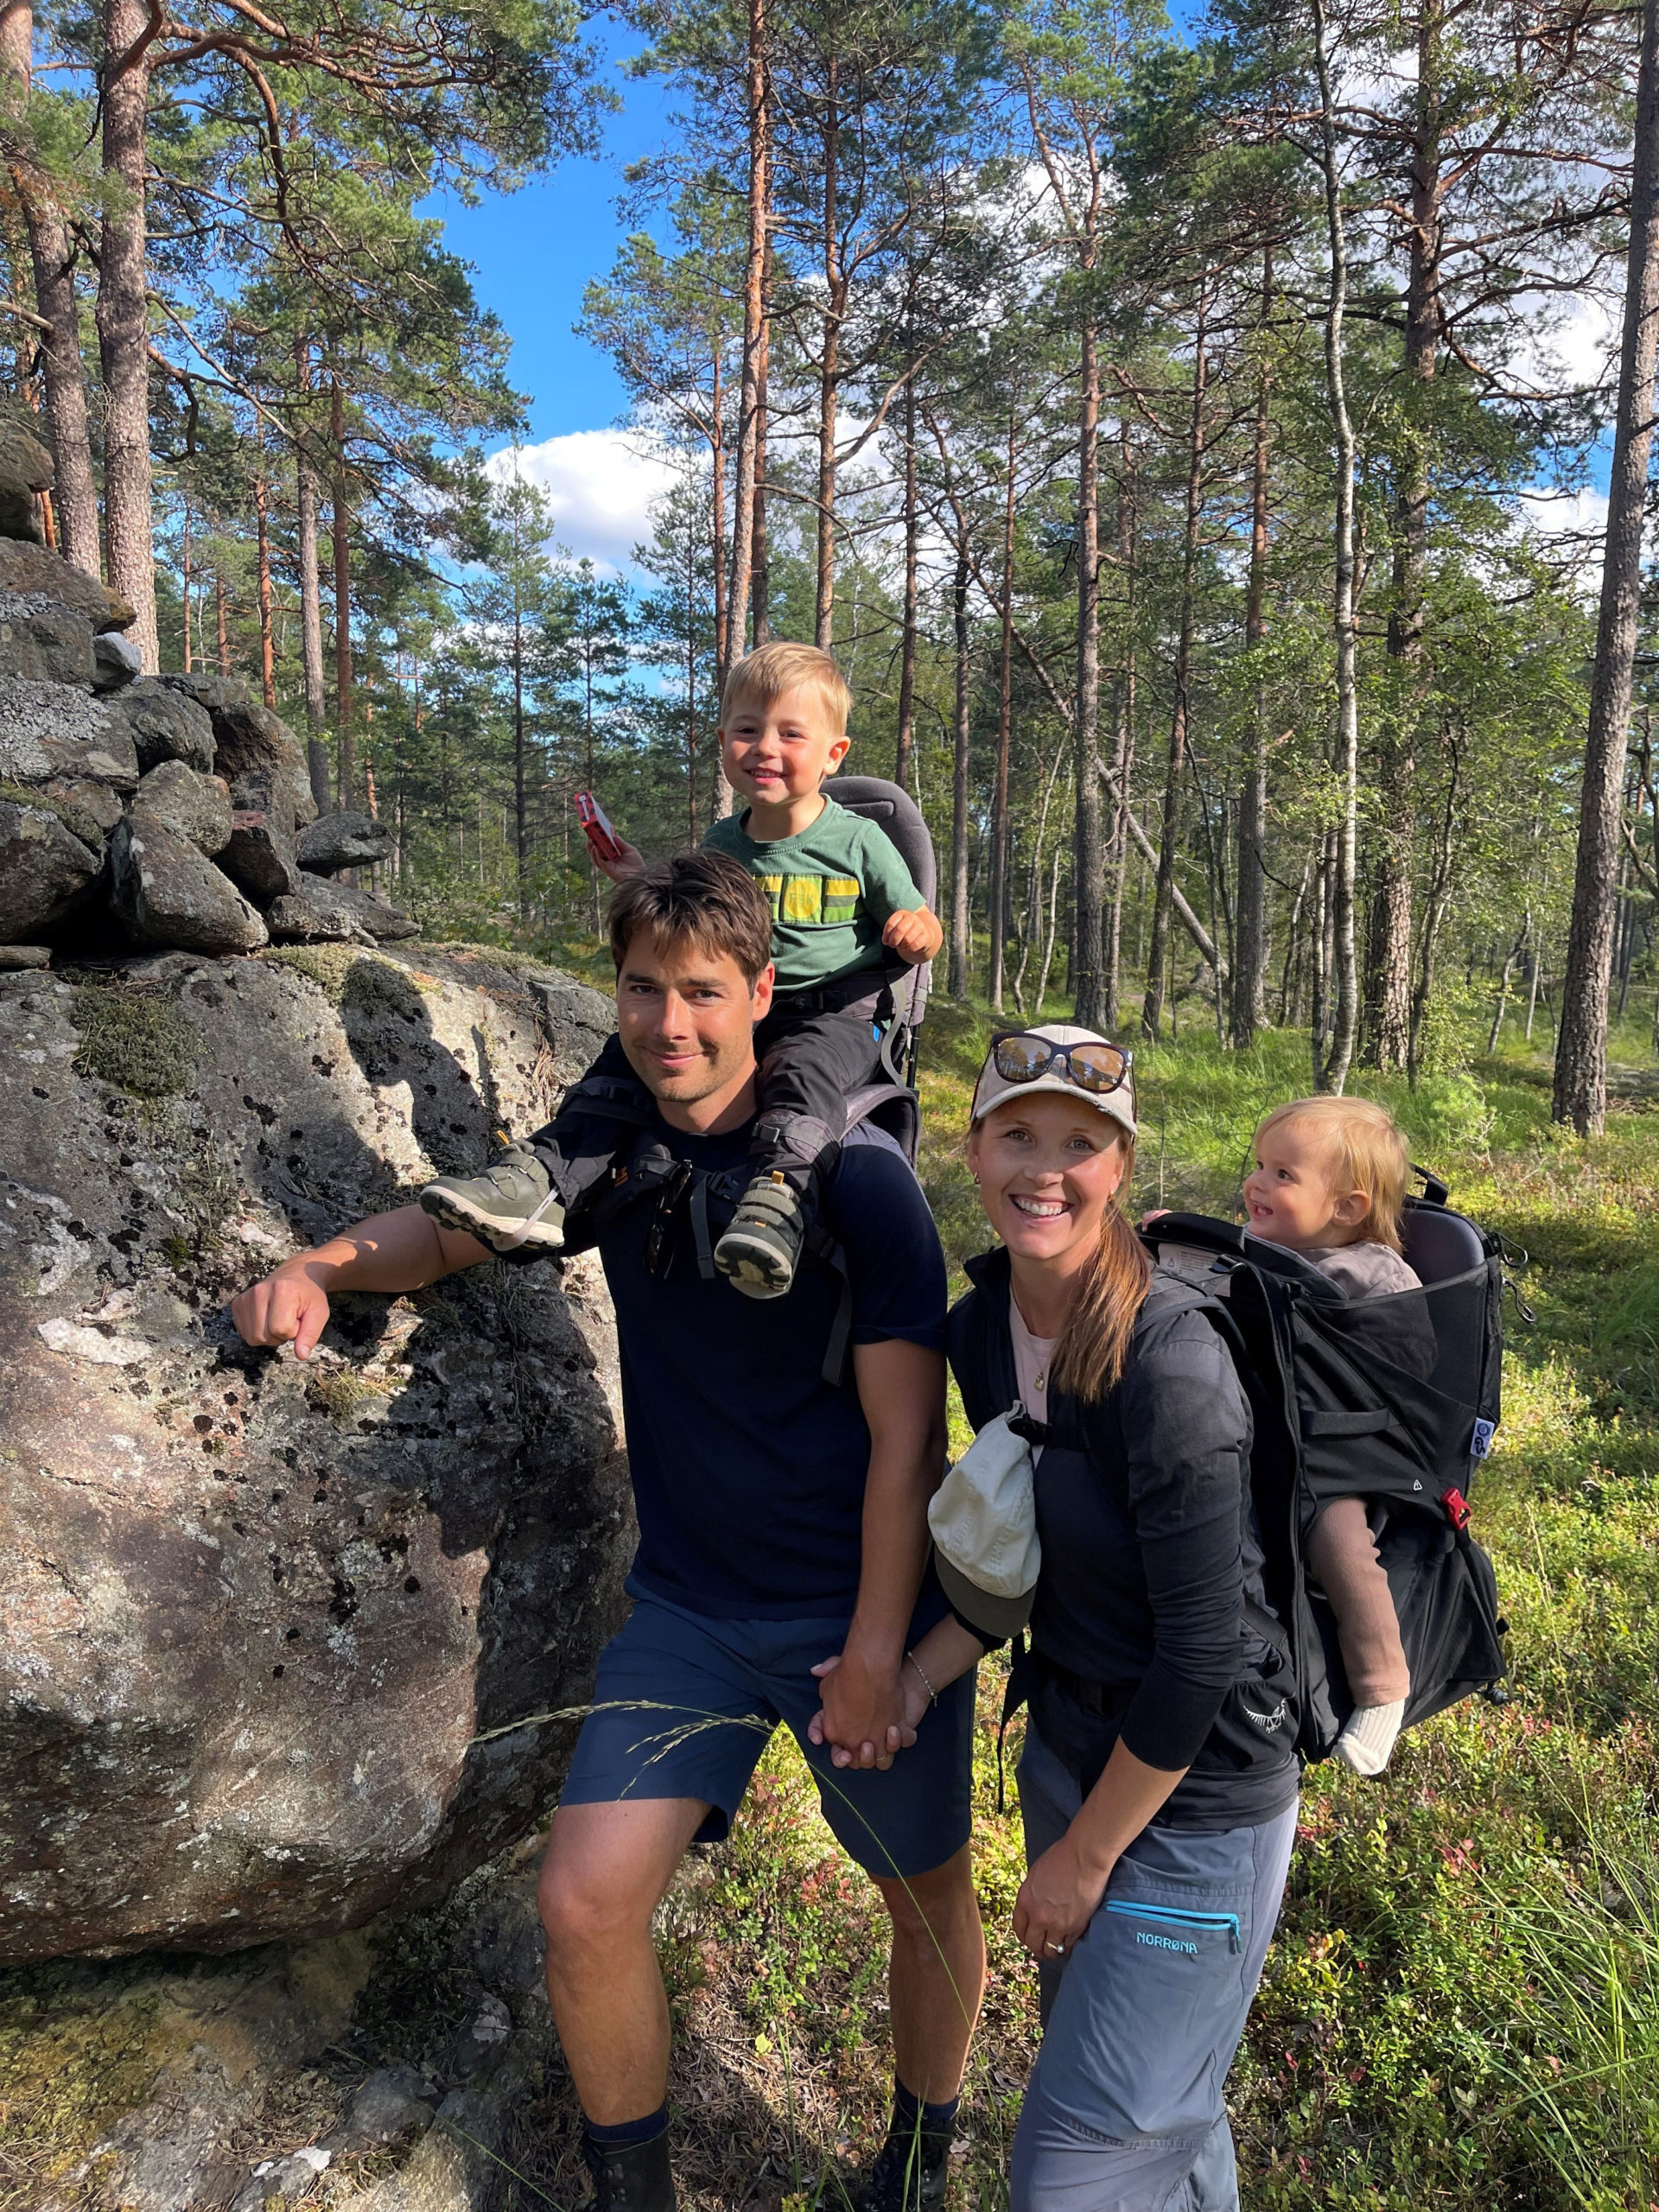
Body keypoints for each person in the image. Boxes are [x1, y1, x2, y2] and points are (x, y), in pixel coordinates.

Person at [229, 849, 983, 2212]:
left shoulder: (858, 1186)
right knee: (582, 1903)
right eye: (642, 990)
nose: (669, 1023)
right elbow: (448, 1234)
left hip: (861, 1610)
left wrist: (878, 1646)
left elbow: (907, 1442)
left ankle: (921, 2159)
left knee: (921, 1900)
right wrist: (323, 1267)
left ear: (764, 991)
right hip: (691, 1612)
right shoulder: (615, 1152)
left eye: (702, 992)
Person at [823, 1024, 1300, 2212]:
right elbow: (1021, 1559)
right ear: (974, 1153)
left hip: (1196, 1803)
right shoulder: (983, 1330)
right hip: (1070, 1757)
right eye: (1018, 1135)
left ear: (1120, 1167)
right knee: (1158, 2124)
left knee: (1073, 2170)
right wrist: (919, 1679)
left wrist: (1085, 1862)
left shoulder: (1172, 1361)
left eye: (1079, 1143)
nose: (1047, 1168)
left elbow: (1202, 1658)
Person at [418, 640, 943, 1302]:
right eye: (747, 731)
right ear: (723, 742)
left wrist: (918, 930)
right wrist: (640, 877)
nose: (764, 748)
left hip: (836, 1010)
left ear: (834, 754)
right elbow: (695, 925)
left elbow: (921, 927)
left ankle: (780, 1201)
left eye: (790, 733)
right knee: (623, 1059)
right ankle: (545, 1179)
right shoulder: (722, 843)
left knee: (802, 1077)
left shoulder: (860, 841)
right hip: (739, 1006)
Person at [1237, 1094, 1424, 1776]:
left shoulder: (1374, 1276)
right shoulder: (1265, 1245)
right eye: (1260, 1166)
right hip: (1271, 1433)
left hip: (1346, 1455)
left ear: (1346, 1208)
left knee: (1336, 1537)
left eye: (1283, 1176)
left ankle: (1383, 1687)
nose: (1257, 1184)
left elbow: (1404, 1367)